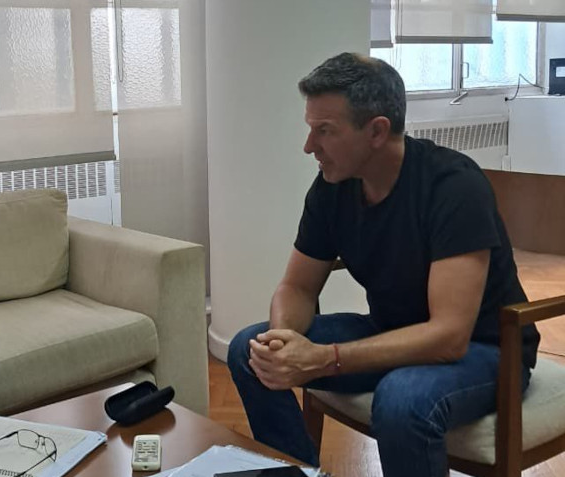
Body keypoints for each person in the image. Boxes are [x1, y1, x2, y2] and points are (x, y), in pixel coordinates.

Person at [227, 53, 540, 477]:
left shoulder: (453, 186)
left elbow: (449, 337)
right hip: (391, 331)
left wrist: (323, 358)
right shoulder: (333, 186)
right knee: (250, 350)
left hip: (485, 350)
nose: (309, 146)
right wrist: (284, 342)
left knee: (401, 400)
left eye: (325, 131)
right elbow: (297, 287)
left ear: (376, 131)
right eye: (310, 128)